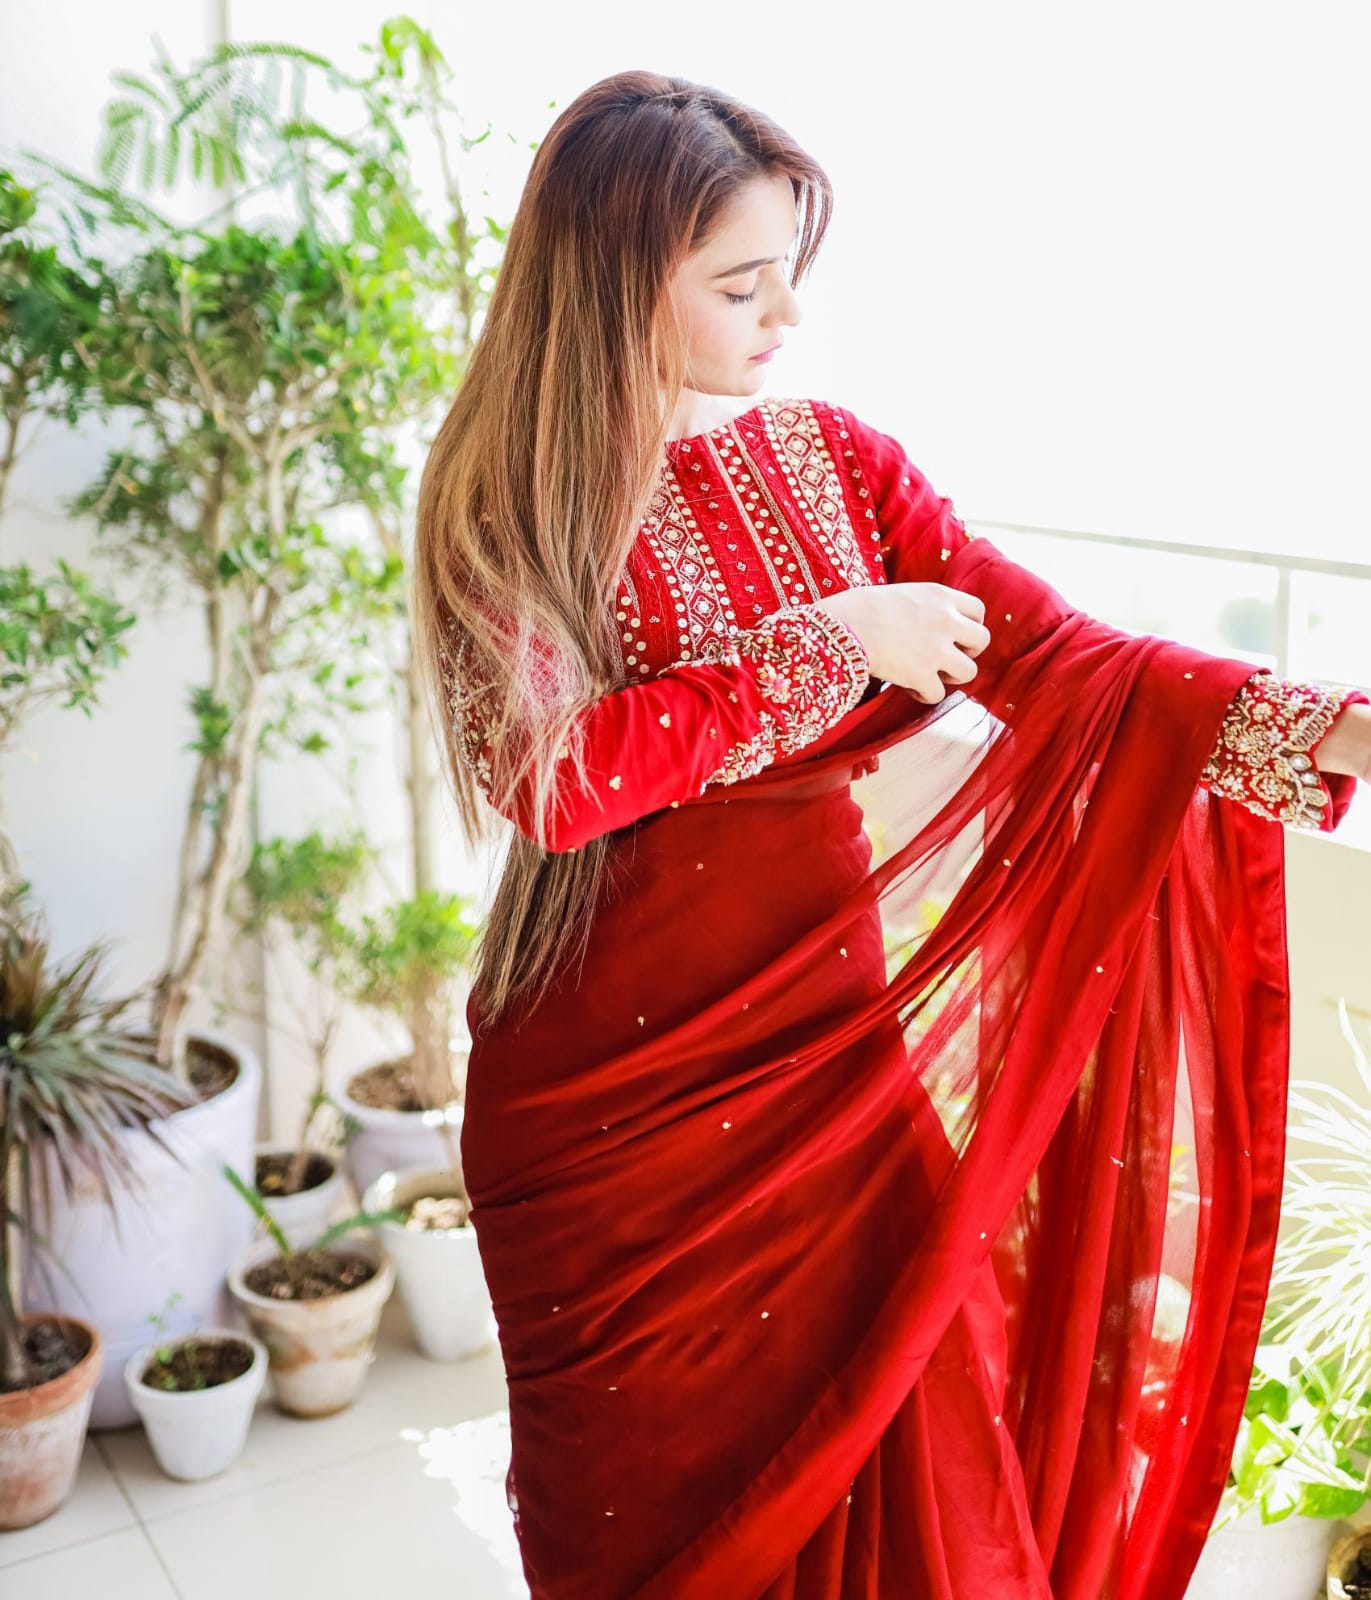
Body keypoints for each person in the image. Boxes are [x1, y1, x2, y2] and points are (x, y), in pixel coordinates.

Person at [411, 69, 1371, 1600]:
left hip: (833, 1079)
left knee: (926, 1472)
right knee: (652, 1534)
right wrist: (833, 640)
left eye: (790, 276)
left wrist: (1335, 728)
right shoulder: (502, 511)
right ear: (610, 285)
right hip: (605, 1118)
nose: (784, 319)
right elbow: (559, 782)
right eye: (741, 284)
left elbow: (1067, 659)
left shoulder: (835, 462)